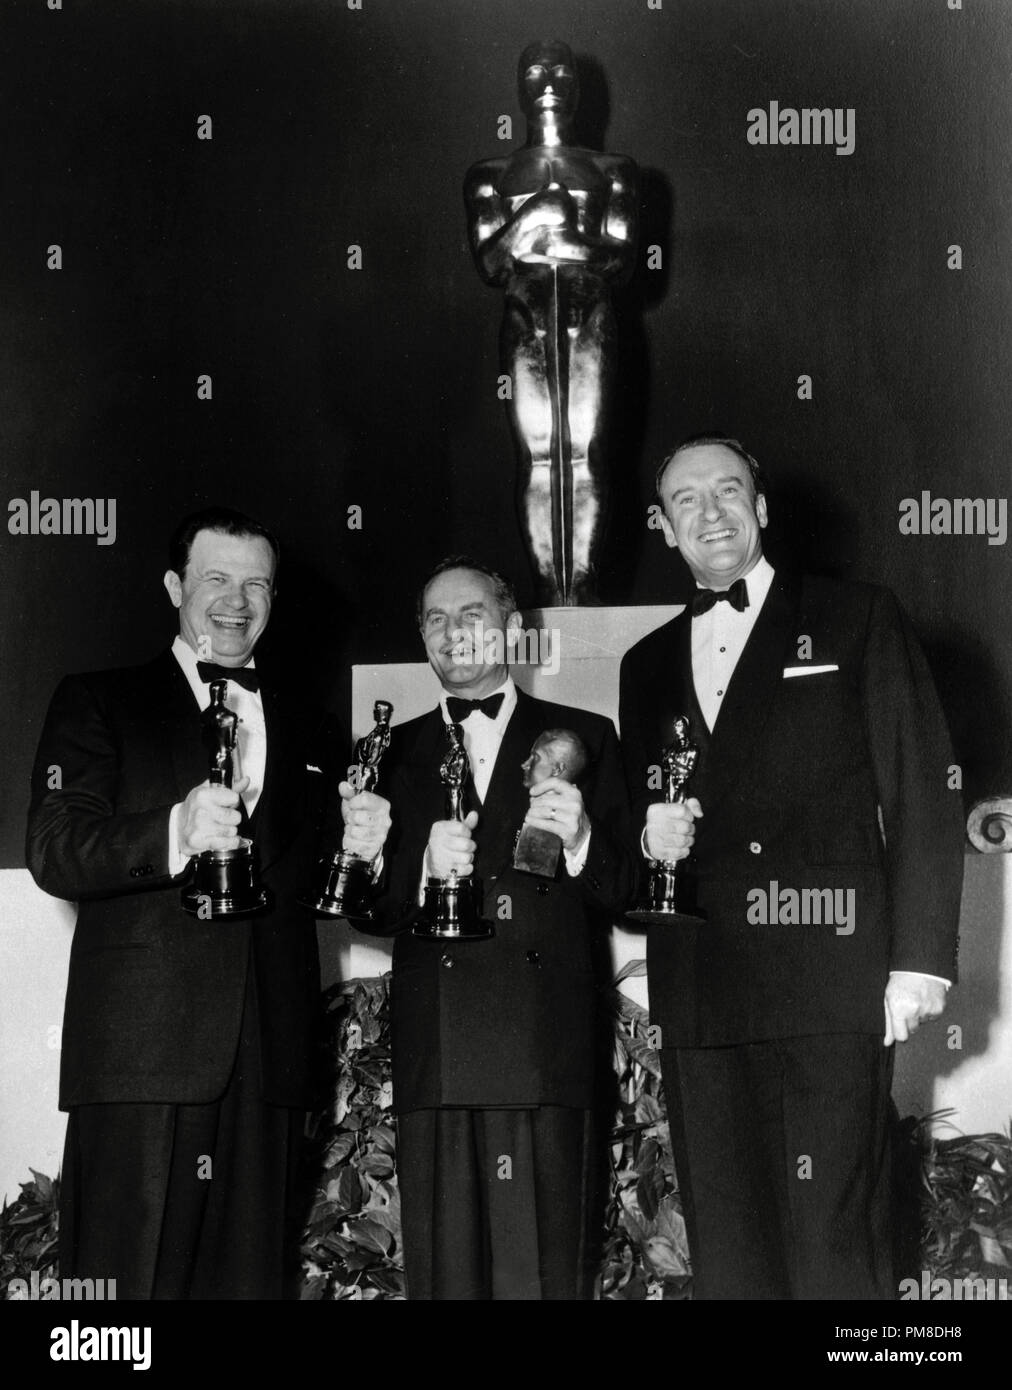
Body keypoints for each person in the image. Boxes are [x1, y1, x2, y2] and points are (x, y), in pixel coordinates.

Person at [618, 436, 964, 1300]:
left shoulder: (858, 617)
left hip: (829, 978)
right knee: (732, 1250)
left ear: (762, 508)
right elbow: (638, 833)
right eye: (686, 501)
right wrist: (641, 844)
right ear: (664, 529)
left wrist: (918, 961)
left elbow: (924, 791)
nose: (710, 514)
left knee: (834, 1244)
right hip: (703, 986)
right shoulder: (643, 664)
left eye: (727, 492)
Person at [25, 506, 390, 1300]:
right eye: (216, 579)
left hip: (269, 1059)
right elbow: (54, 849)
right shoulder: (97, 701)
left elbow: (333, 891)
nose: (236, 600)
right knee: (123, 1300)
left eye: (256, 583)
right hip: (140, 1056)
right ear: (173, 587)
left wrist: (367, 851)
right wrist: (172, 831)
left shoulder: (315, 729)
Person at [364, 556, 635, 1299]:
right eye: (437, 619)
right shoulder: (384, 757)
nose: (456, 633)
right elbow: (370, 908)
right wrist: (418, 870)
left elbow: (633, 892)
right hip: (441, 1048)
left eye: (473, 614)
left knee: (544, 1277)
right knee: (447, 1278)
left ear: (513, 629)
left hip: (548, 1045)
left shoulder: (587, 738)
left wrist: (581, 842)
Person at [465, 40, 639, 604]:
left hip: (589, 308)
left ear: (578, 87)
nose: (547, 80)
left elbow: (621, 261)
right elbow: (491, 264)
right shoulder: (490, 173)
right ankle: (548, 589)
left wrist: (565, 240)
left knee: (586, 449)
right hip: (525, 310)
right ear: (518, 85)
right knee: (538, 453)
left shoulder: (612, 169)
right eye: (534, 70)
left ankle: (582, 591)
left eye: (561, 71)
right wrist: (537, 216)